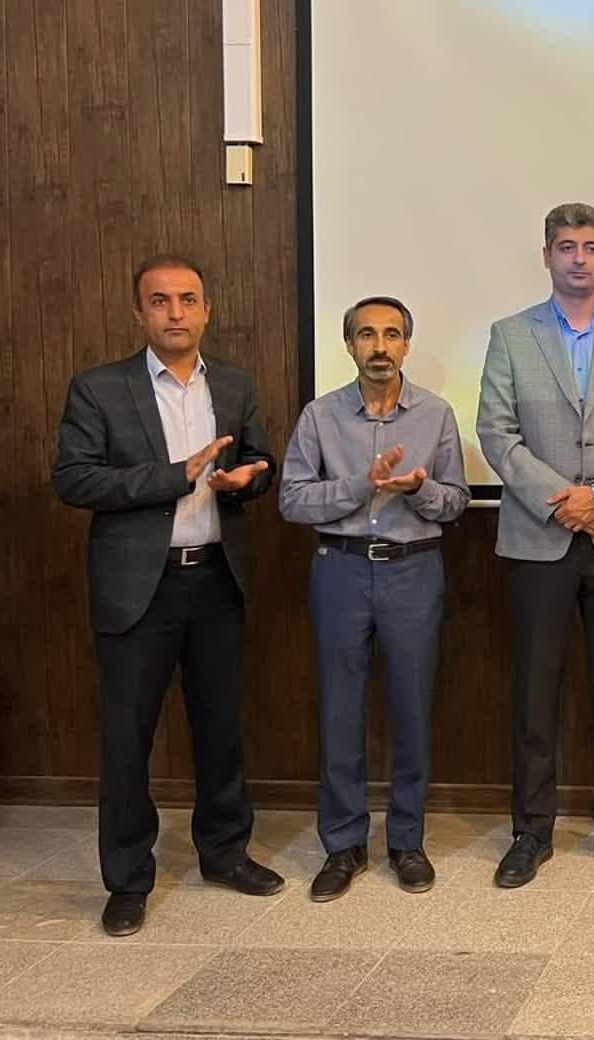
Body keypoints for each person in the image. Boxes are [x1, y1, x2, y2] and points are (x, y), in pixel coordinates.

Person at [52, 254, 284, 937]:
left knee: (220, 727)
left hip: (215, 578)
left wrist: (249, 478)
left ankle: (225, 852)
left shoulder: (234, 384)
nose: (175, 312)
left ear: (207, 310)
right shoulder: (99, 388)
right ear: (139, 313)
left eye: (187, 299)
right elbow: (74, 479)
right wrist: (175, 475)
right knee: (128, 737)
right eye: (160, 301)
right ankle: (128, 879)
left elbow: (261, 459)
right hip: (137, 588)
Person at [477, 203, 594, 886]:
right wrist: (566, 501)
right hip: (539, 536)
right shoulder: (510, 334)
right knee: (535, 692)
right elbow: (496, 432)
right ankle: (531, 832)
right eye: (566, 246)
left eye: (590, 246)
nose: (579, 258)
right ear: (548, 256)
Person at [279, 296, 469, 901]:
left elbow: (456, 502)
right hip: (339, 568)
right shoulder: (320, 416)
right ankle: (343, 845)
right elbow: (292, 500)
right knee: (340, 710)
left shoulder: (436, 414)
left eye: (391, 335)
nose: (380, 347)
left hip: (413, 571)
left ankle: (407, 842)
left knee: (411, 708)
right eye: (367, 335)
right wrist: (361, 486)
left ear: (407, 345)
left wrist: (418, 490)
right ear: (350, 345)